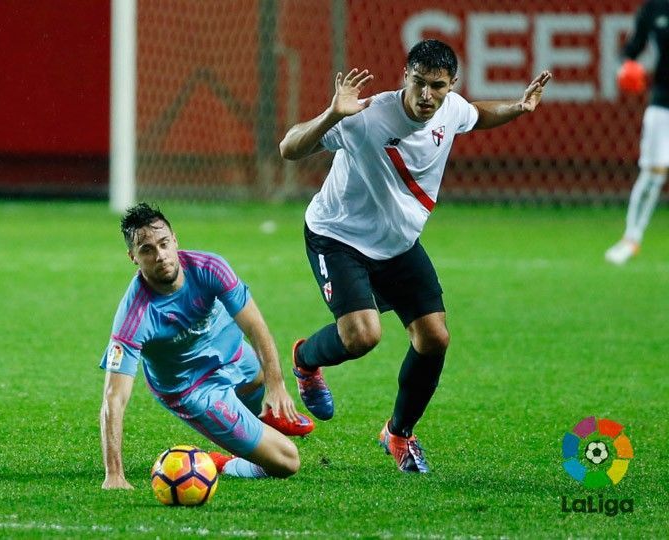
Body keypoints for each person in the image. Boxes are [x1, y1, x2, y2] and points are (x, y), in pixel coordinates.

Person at [279, 39, 552, 473]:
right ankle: (305, 359)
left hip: (398, 244)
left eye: (437, 86)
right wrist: (332, 112)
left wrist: (517, 108)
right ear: (405, 76)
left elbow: (478, 115)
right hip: (338, 236)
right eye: (419, 83)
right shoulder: (365, 117)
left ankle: (399, 433)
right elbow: (289, 148)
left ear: (451, 85)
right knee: (362, 336)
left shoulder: (451, 109)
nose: (427, 96)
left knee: (434, 339)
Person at [99, 203, 312, 488]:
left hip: (236, 358)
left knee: (261, 375)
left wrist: (276, 386)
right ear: (133, 257)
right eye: (147, 250)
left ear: (175, 239)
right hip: (195, 389)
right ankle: (231, 462)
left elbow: (255, 326)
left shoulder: (210, 268)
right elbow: (114, 397)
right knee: (287, 461)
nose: (160, 256)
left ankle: (259, 421)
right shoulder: (135, 317)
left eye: (163, 243)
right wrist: (114, 474)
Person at [605, 0, 669, 265]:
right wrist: (626, 66)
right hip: (664, 101)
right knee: (653, 173)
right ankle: (632, 238)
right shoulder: (655, 9)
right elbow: (631, 49)